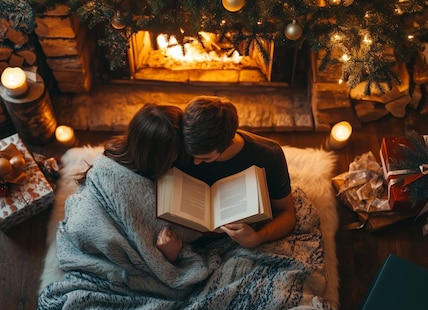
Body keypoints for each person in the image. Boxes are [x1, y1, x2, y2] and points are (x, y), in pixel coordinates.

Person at [178, 95, 296, 248]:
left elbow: (287, 213)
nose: (195, 162)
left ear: (228, 143)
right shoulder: (183, 145)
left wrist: (257, 238)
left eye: (206, 158)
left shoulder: (269, 155)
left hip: (238, 240)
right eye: (192, 155)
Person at [101, 102, 188, 262]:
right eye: (172, 153)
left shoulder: (127, 148)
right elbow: (138, 250)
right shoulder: (109, 170)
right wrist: (170, 254)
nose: (176, 157)